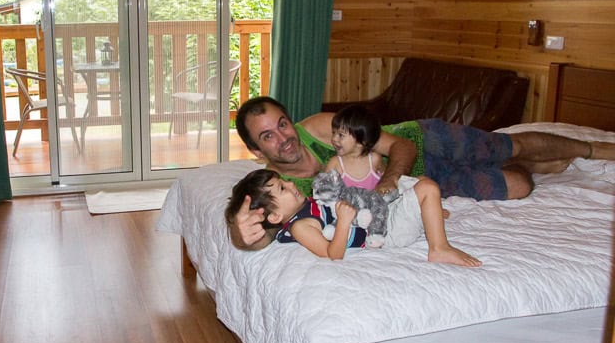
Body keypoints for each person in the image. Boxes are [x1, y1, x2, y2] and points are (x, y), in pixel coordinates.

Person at [230, 96, 615, 249]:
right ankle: (536, 164)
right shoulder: (282, 188)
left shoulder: (320, 128)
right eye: (268, 135)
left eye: (282, 123)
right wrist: (240, 233)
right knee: (518, 184)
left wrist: (388, 182)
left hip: (426, 141)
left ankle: (594, 148)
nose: (283, 137)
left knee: (508, 145)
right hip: (428, 184)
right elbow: (264, 235)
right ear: (255, 149)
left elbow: (402, 148)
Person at [224, 168, 482, 267]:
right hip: (388, 233)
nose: (291, 184)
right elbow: (332, 253)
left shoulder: (307, 206)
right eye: (282, 189)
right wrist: (344, 221)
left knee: (422, 181)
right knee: (429, 188)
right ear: (276, 215)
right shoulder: (301, 226)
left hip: (378, 215)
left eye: (284, 181)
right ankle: (439, 248)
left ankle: (430, 213)